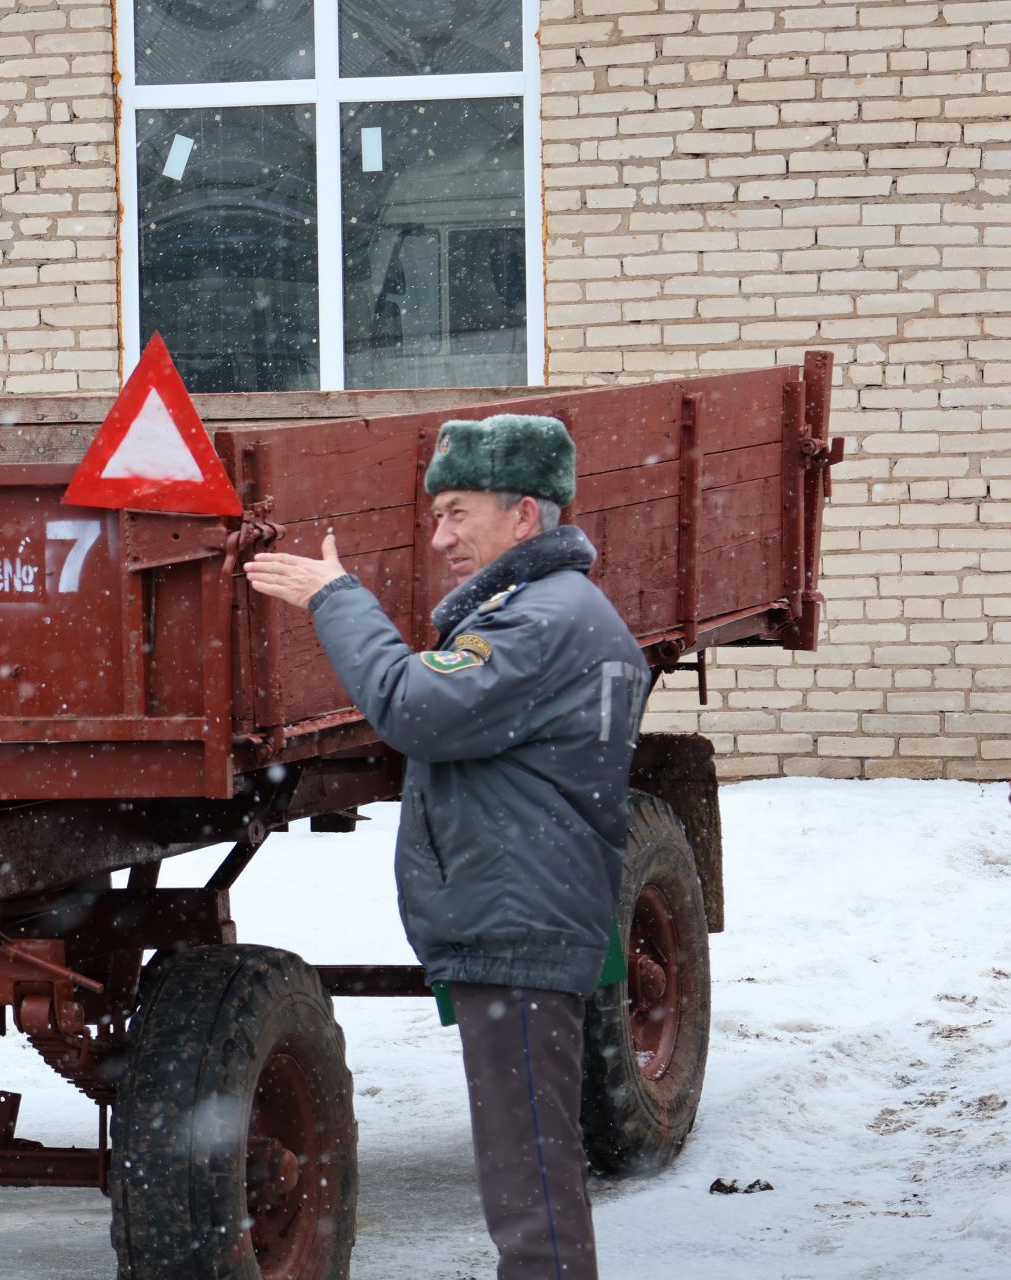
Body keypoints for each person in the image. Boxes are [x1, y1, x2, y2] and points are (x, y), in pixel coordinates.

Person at [243, 413, 650, 1280]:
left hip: (521, 928)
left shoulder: (542, 620)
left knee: (529, 1174)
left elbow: (416, 708)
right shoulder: (559, 612)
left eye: (459, 512)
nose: (441, 538)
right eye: (438, 516)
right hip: (523, 916)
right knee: (528, 1161)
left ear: (526, 516)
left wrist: (336, 598)